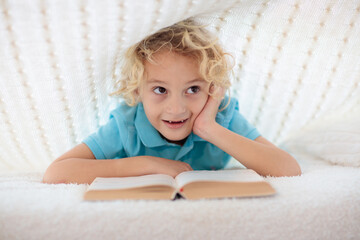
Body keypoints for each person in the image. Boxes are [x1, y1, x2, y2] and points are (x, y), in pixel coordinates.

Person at [43, 19, 301, 184]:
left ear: (211, 90)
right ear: (136, 92)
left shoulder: (222, 116)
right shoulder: (128, 124)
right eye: (159, 90)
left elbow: (288, 169)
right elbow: (56, 172)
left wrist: (209, 129)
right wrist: (148, 164)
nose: (176, 109)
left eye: (192, 89)